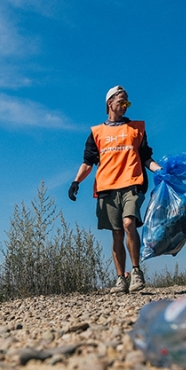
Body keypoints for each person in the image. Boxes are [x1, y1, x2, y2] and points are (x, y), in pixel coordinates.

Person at [68, 85, 161, 294]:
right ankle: (121, 279)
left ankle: (136, 272)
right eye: (121, 101)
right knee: (116, 233)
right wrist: (76, 182)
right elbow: (87, 162)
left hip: (132, 183)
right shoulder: (96, 132)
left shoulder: (136, 128)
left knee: (129, 223)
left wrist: (161, 171)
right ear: (110, 103)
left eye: (127, 102)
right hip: (107, 187)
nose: (125, 105)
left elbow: (146, 157)